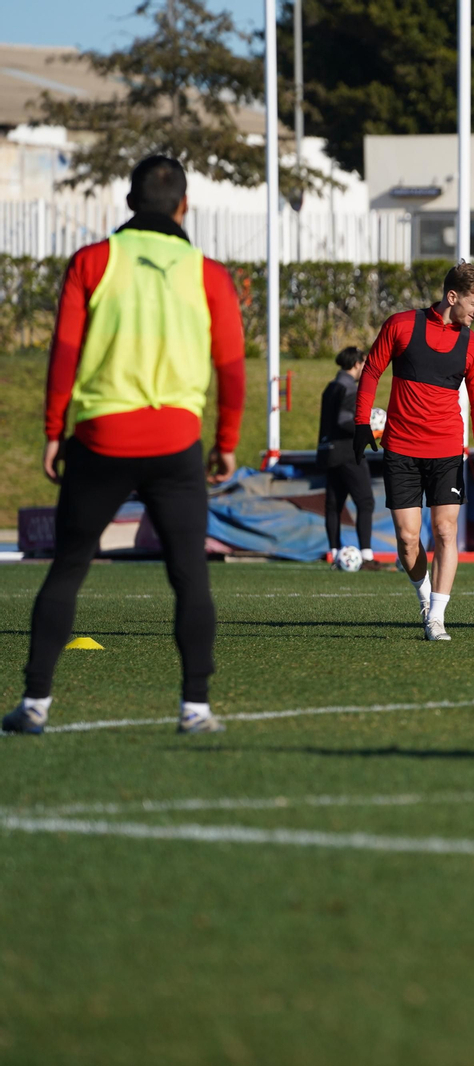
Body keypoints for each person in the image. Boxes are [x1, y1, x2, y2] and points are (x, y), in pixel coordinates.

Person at [3, 155, 244, 736]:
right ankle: (196, 708)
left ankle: (35, 704)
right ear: (185, 206)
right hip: (175, 439)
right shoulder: (208, 272)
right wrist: (227, 441)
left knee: (68, 568)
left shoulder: (92, 261)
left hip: (101, 436)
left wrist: (53, 430)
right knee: (190, 573)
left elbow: (63, 352)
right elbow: (232, 366)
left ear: (129, 202)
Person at [352, 261, 474, 641]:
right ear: (453, 297)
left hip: (447, 450)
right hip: (401, 448)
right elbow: (371, 372)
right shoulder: (400, 325)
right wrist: (361, 423)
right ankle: (424, 597)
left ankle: (437, 616)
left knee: (446, 531)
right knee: (408, 538)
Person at [319, 345, 380, 570]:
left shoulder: (330, 387)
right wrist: (368, 429)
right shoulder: (350, 389)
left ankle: (335, 554)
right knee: (365, 501)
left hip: (329, 451)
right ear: (356, 364)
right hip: (348, 452)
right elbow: (344, 421)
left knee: (334, 505)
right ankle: (366, 555)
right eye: (363, 363)